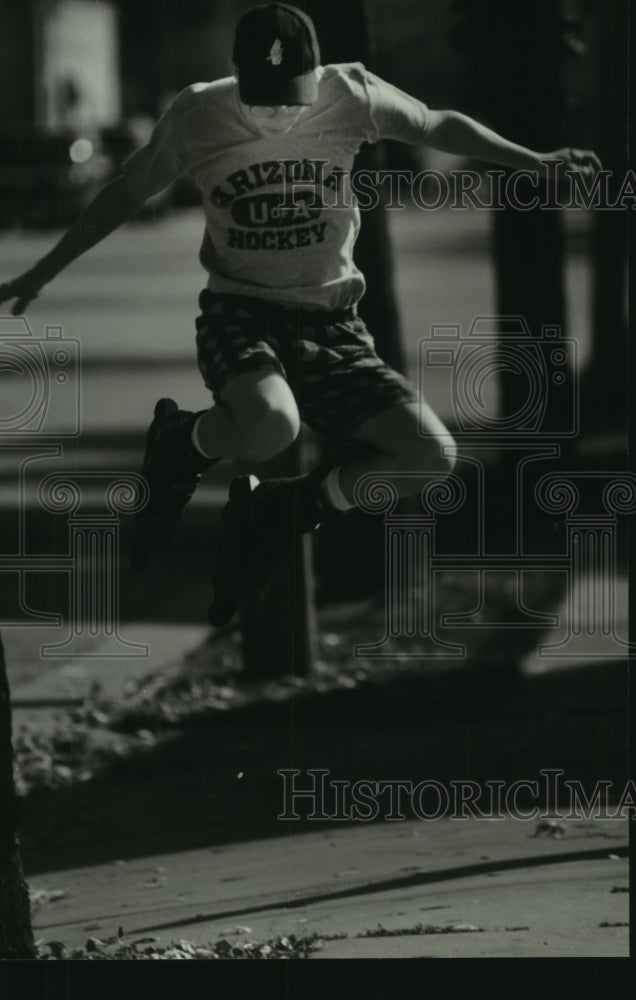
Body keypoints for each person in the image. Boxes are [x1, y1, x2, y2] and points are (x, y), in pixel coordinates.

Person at [0, 3, 600, 627]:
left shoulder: (353, 93)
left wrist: (533, 161)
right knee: (271, 425)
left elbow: (436, 124)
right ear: (235, 74)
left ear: (317, 74)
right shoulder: (200, 113)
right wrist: (43, 271)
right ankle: (184, 441)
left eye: (292, 99)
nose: (279, 114)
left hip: (332, 323)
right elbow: (125, 192)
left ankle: (289, 508)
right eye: (262, 101)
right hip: (242, 315)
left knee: (430, 456)